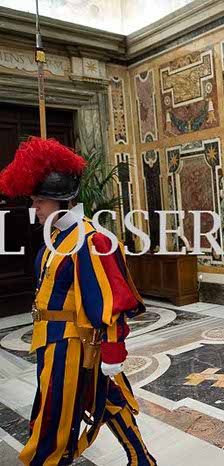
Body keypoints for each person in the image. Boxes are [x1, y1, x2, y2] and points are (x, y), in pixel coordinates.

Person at [0, 138, 156, 465]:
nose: (34, 208)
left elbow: (110, 301)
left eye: (39, 202)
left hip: (73, 346)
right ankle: (142, 459)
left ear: (60, 201)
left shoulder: (91, 239)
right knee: (106, 397)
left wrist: (113, 351)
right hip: (54, 340)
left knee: (54, 416)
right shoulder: (56, 238)